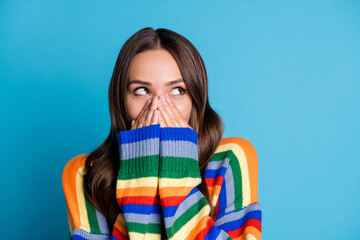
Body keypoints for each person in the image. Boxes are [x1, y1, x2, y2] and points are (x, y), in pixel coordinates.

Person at [62, 27, 262, 240]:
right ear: (121, 100)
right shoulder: (85, 174)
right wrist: (139, 177)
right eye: (142, 91)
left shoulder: (230, 159)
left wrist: (178, 173)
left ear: (195, 99)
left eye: (177, 90)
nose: (157, 107)